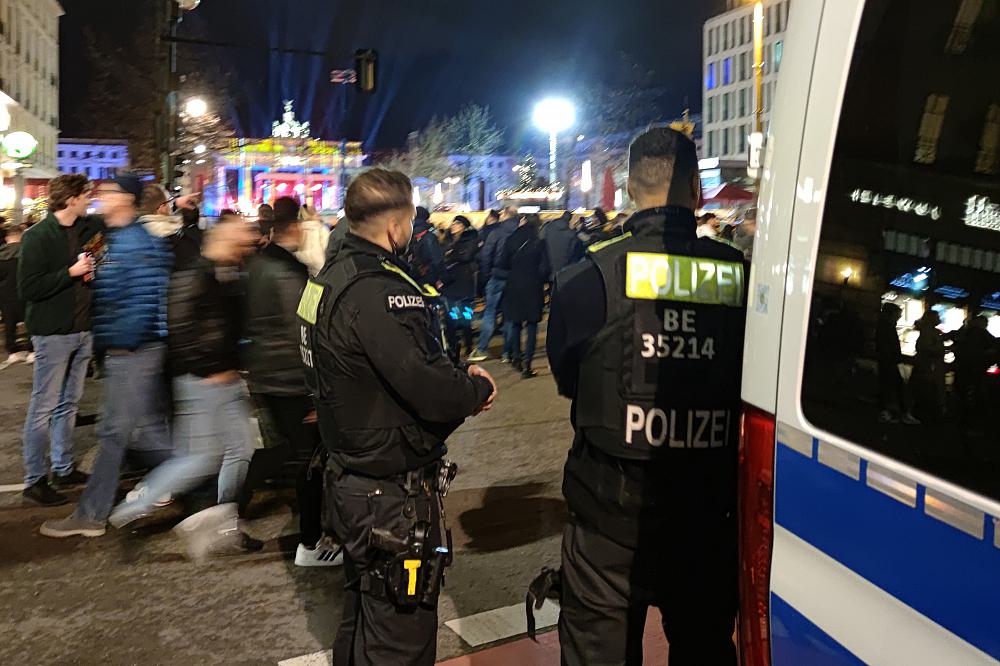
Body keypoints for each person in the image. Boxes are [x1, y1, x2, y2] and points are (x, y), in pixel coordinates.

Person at [545, 127, 746, 665]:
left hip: (608, 515)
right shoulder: (740, 277)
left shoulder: (585, 278)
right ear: (697, 194)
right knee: (704, 650)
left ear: (630, 188)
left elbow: (569, 380)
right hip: (707, 513)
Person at [299, 169, 496, 665]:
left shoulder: (325, 280)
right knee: (399, 641)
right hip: (390, 495)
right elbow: (430, 390)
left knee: (363, 620)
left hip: (348, 477)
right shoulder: (380, 291)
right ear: (396, 225)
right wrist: (474, 387)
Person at [109, 215, 262, 560]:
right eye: (241, 237)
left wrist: (237, 365)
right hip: (203, 383)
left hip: (227, 380)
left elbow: (232, 328)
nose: (248, 242)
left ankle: (225, 523)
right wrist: (209, 370)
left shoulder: (230, 274)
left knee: (241, 452)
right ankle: (135, 505)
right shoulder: (194, 275)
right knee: (201, 459)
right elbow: (180, 332)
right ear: (223, 239)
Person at [39, 175, 175, 538]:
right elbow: (100, 282)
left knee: (118, 433)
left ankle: (92, 514)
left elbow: (146, 301)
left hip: (133, 349)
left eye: (110, 192)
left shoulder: (136, 242)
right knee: (137, 434)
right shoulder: (108, 238)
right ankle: (207, 479)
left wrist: (120, 343)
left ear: (128, 199)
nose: (101, 196)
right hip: (123, 350)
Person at [242, 196, 343, 566]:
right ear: (295, 227)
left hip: (266, 373)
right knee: (310, 459)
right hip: (290, 378)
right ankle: (311, 543)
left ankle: (229, 502)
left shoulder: (259, 263)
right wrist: (313, 385)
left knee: (286, 451)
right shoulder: (288, 272)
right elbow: (300, 330)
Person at [18, 174, 104, 506]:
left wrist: (96, 264)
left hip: (83, 331)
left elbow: (101, 259)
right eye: (85, 195)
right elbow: (29, 288)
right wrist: (70, 273)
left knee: (69, 404)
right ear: (70, 199)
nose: (89, 200)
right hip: (53, 333)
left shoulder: (88, 229)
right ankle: (35, 479)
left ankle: (63, 466)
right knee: (44, 407)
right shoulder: (37, 236)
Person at [499, 214, 550, 378]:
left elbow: (503, 263)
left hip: (514, 285)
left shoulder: (511, 239)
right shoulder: (538, 241)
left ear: (523, 222)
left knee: (515, 323)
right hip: (532, 286)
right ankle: (527, 363)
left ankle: (516, 357)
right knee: (532, 325)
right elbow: (545, 267)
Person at [468, 205, 520, 362]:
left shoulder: (496, 232)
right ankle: (506, 353)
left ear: (505, 215)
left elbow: (486, 255)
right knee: (509, 316)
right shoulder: (519, 232)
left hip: (496, 276)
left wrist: (485, 277)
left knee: (490, 313)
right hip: (513, 278)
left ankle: (482, 348)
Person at [442, 215, 479, 359]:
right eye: (453, 223)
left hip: (464, 285)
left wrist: (452, 256)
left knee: (466, 318)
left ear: (463, 226)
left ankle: (468, 346)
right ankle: (453, 347)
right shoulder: (447, 241)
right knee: (451, 317)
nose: (453, 226)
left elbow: (466, 257)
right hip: (450, 285)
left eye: (457, 223)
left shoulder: (470, 240)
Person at [876, 303, 918, 425]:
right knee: (894, 386)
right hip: (889, 361)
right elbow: (888, 345)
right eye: (898, 314)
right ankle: (899, 413)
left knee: (888, 386)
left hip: (887, 360)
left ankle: (888, 411)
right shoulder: (887, 327)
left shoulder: (884, 325)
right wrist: (895, 358)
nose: (899, 317)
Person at [0, 223, 32, 370]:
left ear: (7, 238)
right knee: (31, 321)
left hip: (5, 295)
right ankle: (32, 350)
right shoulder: (27, 253)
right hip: (25, 293)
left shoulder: (1, 254)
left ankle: (13, 350)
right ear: (21, 236)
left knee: (9, 323)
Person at [542, 210, 584, 276]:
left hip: (549, 266)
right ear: (569, 219)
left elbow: (542, 241)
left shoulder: (548, 228)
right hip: (564, 268)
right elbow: (572, 252)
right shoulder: (571, 234)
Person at [295, 203, 332, 277]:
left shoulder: (297, 230)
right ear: (315, 214)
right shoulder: (322, 230)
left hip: (301, 271)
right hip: (320, 271)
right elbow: (328, 250)